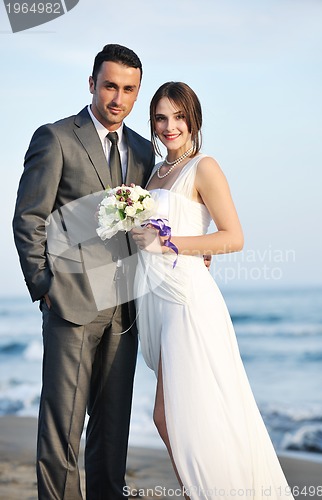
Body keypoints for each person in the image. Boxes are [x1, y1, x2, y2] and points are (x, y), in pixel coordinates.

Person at [132, 82, 295, 499]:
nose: (170, 126)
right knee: (176, 418)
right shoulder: (154, 173)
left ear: (194, 120)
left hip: (189, 301)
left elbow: (234, 237)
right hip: (161, 298)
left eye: (179, 117)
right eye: (161, 118)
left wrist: (171, 244)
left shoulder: (203, 166)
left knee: (178, 418)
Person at [12, 44, 155, 499]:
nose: (118, 98)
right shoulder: (55, 138)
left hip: (125, 310)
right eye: (110, 85)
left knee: (112, 434)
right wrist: (44, 286)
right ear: (92, 84)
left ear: (137, 93)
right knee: (62, 435)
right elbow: (29, 218)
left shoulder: (142, 150)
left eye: (129, 89)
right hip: (71, 304)